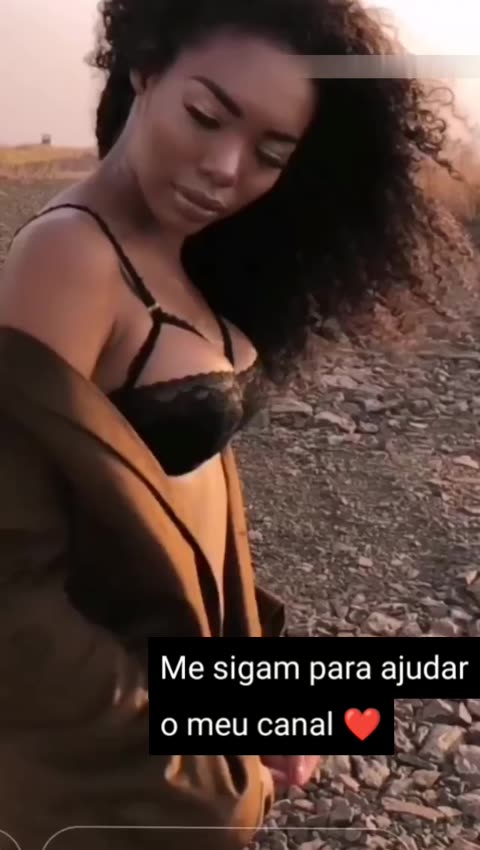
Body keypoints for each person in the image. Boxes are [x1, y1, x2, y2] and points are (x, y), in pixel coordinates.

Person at [0, 0, 462, 848]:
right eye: (206, 116)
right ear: (146, 67)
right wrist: (209, 757)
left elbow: (177, 506)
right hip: (110, 763)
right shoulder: (71, 256)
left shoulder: (175, 245)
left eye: (270, 155)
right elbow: (10, 591)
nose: (224, 169)